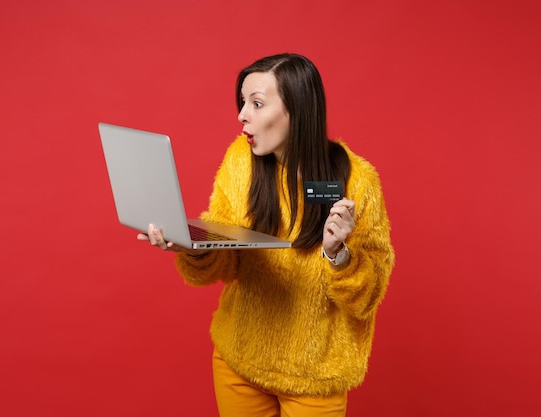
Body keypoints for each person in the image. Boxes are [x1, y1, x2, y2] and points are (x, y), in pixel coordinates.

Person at [138, 53, 395, 417]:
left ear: (299, 110)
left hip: (314, 376)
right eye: (242, 103)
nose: (242, 115)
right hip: (239, 362)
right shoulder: (240, 162)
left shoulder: (358, 180)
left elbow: (367, 298)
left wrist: (339, 255)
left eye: (256, 103)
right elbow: (225, 262)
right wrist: (192, 246)